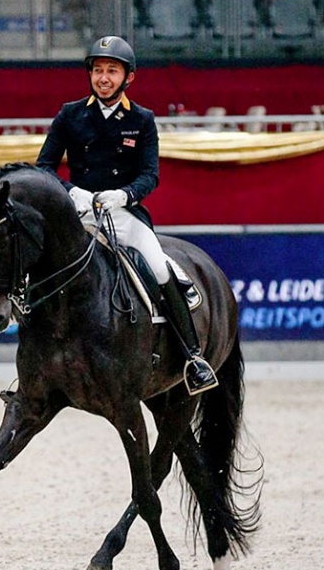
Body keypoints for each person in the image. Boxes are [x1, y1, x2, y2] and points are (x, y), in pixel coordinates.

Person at [36, 35, 218, 395]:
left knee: (159, 265)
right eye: (98, 70)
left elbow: (150, 175)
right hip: (79, 213)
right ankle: (33, 361)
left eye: (112, 72)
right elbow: (44, 167)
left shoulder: (142, 120)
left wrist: (124, 194)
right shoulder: (70, 114)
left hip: (123, 214)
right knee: (39, 264)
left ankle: (193, 357)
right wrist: (73, 193)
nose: (104, 78)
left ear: (128, 77)